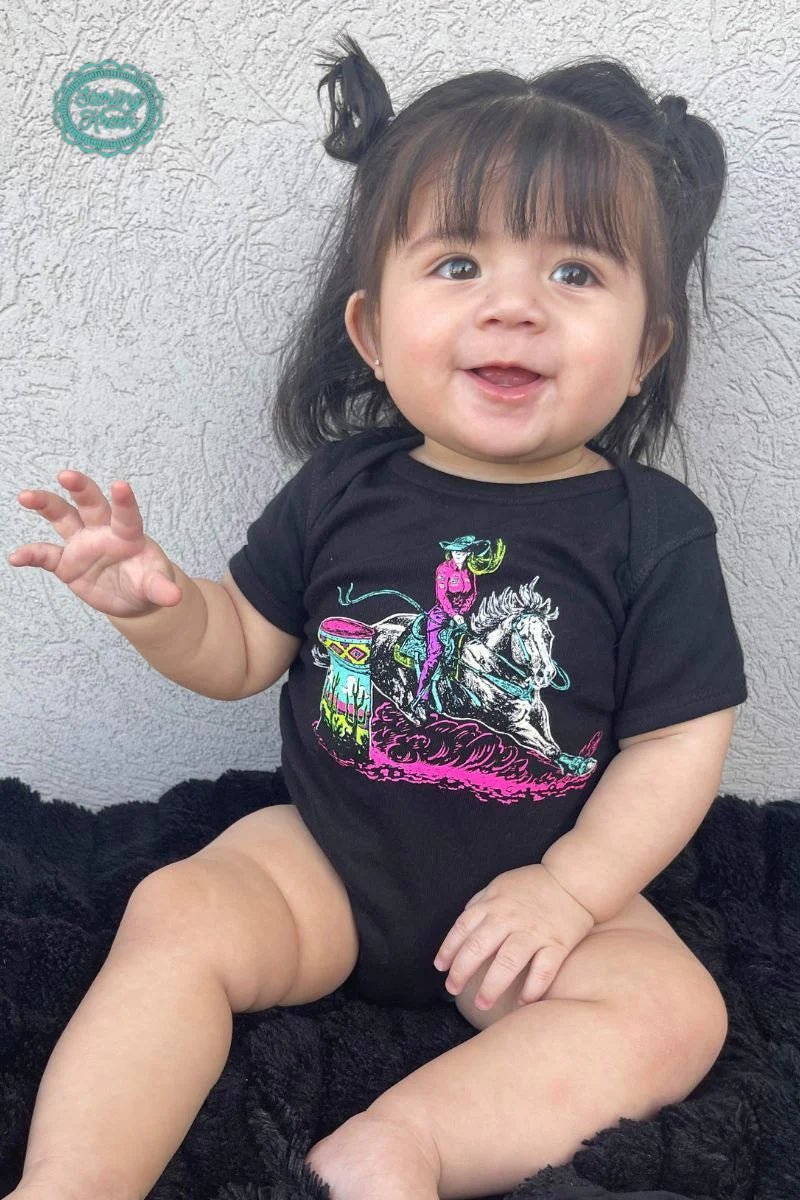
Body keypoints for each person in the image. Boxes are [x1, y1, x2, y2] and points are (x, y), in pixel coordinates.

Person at [5, 31, 748, 1200]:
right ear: (370, 331)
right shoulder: (340, 489)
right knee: (178, 908)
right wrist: (156, 607)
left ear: (644, 350)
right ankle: (72, 1183)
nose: (512, 308)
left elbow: (675, 742)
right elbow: (242, 650)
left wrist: (570, 890)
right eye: (457, 264)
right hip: (327, 868)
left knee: (675, 1012)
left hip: (542, 900)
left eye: (573, 274)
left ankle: (403, 1146)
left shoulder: (651, 528)